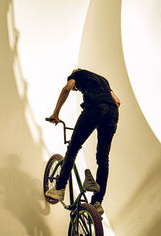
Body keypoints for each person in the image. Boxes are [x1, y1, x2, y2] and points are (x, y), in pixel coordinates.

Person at [46, 68, 120, 216]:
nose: (76, 89)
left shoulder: (77, 74)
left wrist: (55, 113)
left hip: (95, 108)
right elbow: (117, 101)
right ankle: (97, 201)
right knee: (103, 157)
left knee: (73, 147)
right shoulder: (103, 79)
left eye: (76, 88)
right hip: (112, 112)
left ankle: (59, 188)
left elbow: (66, 88)